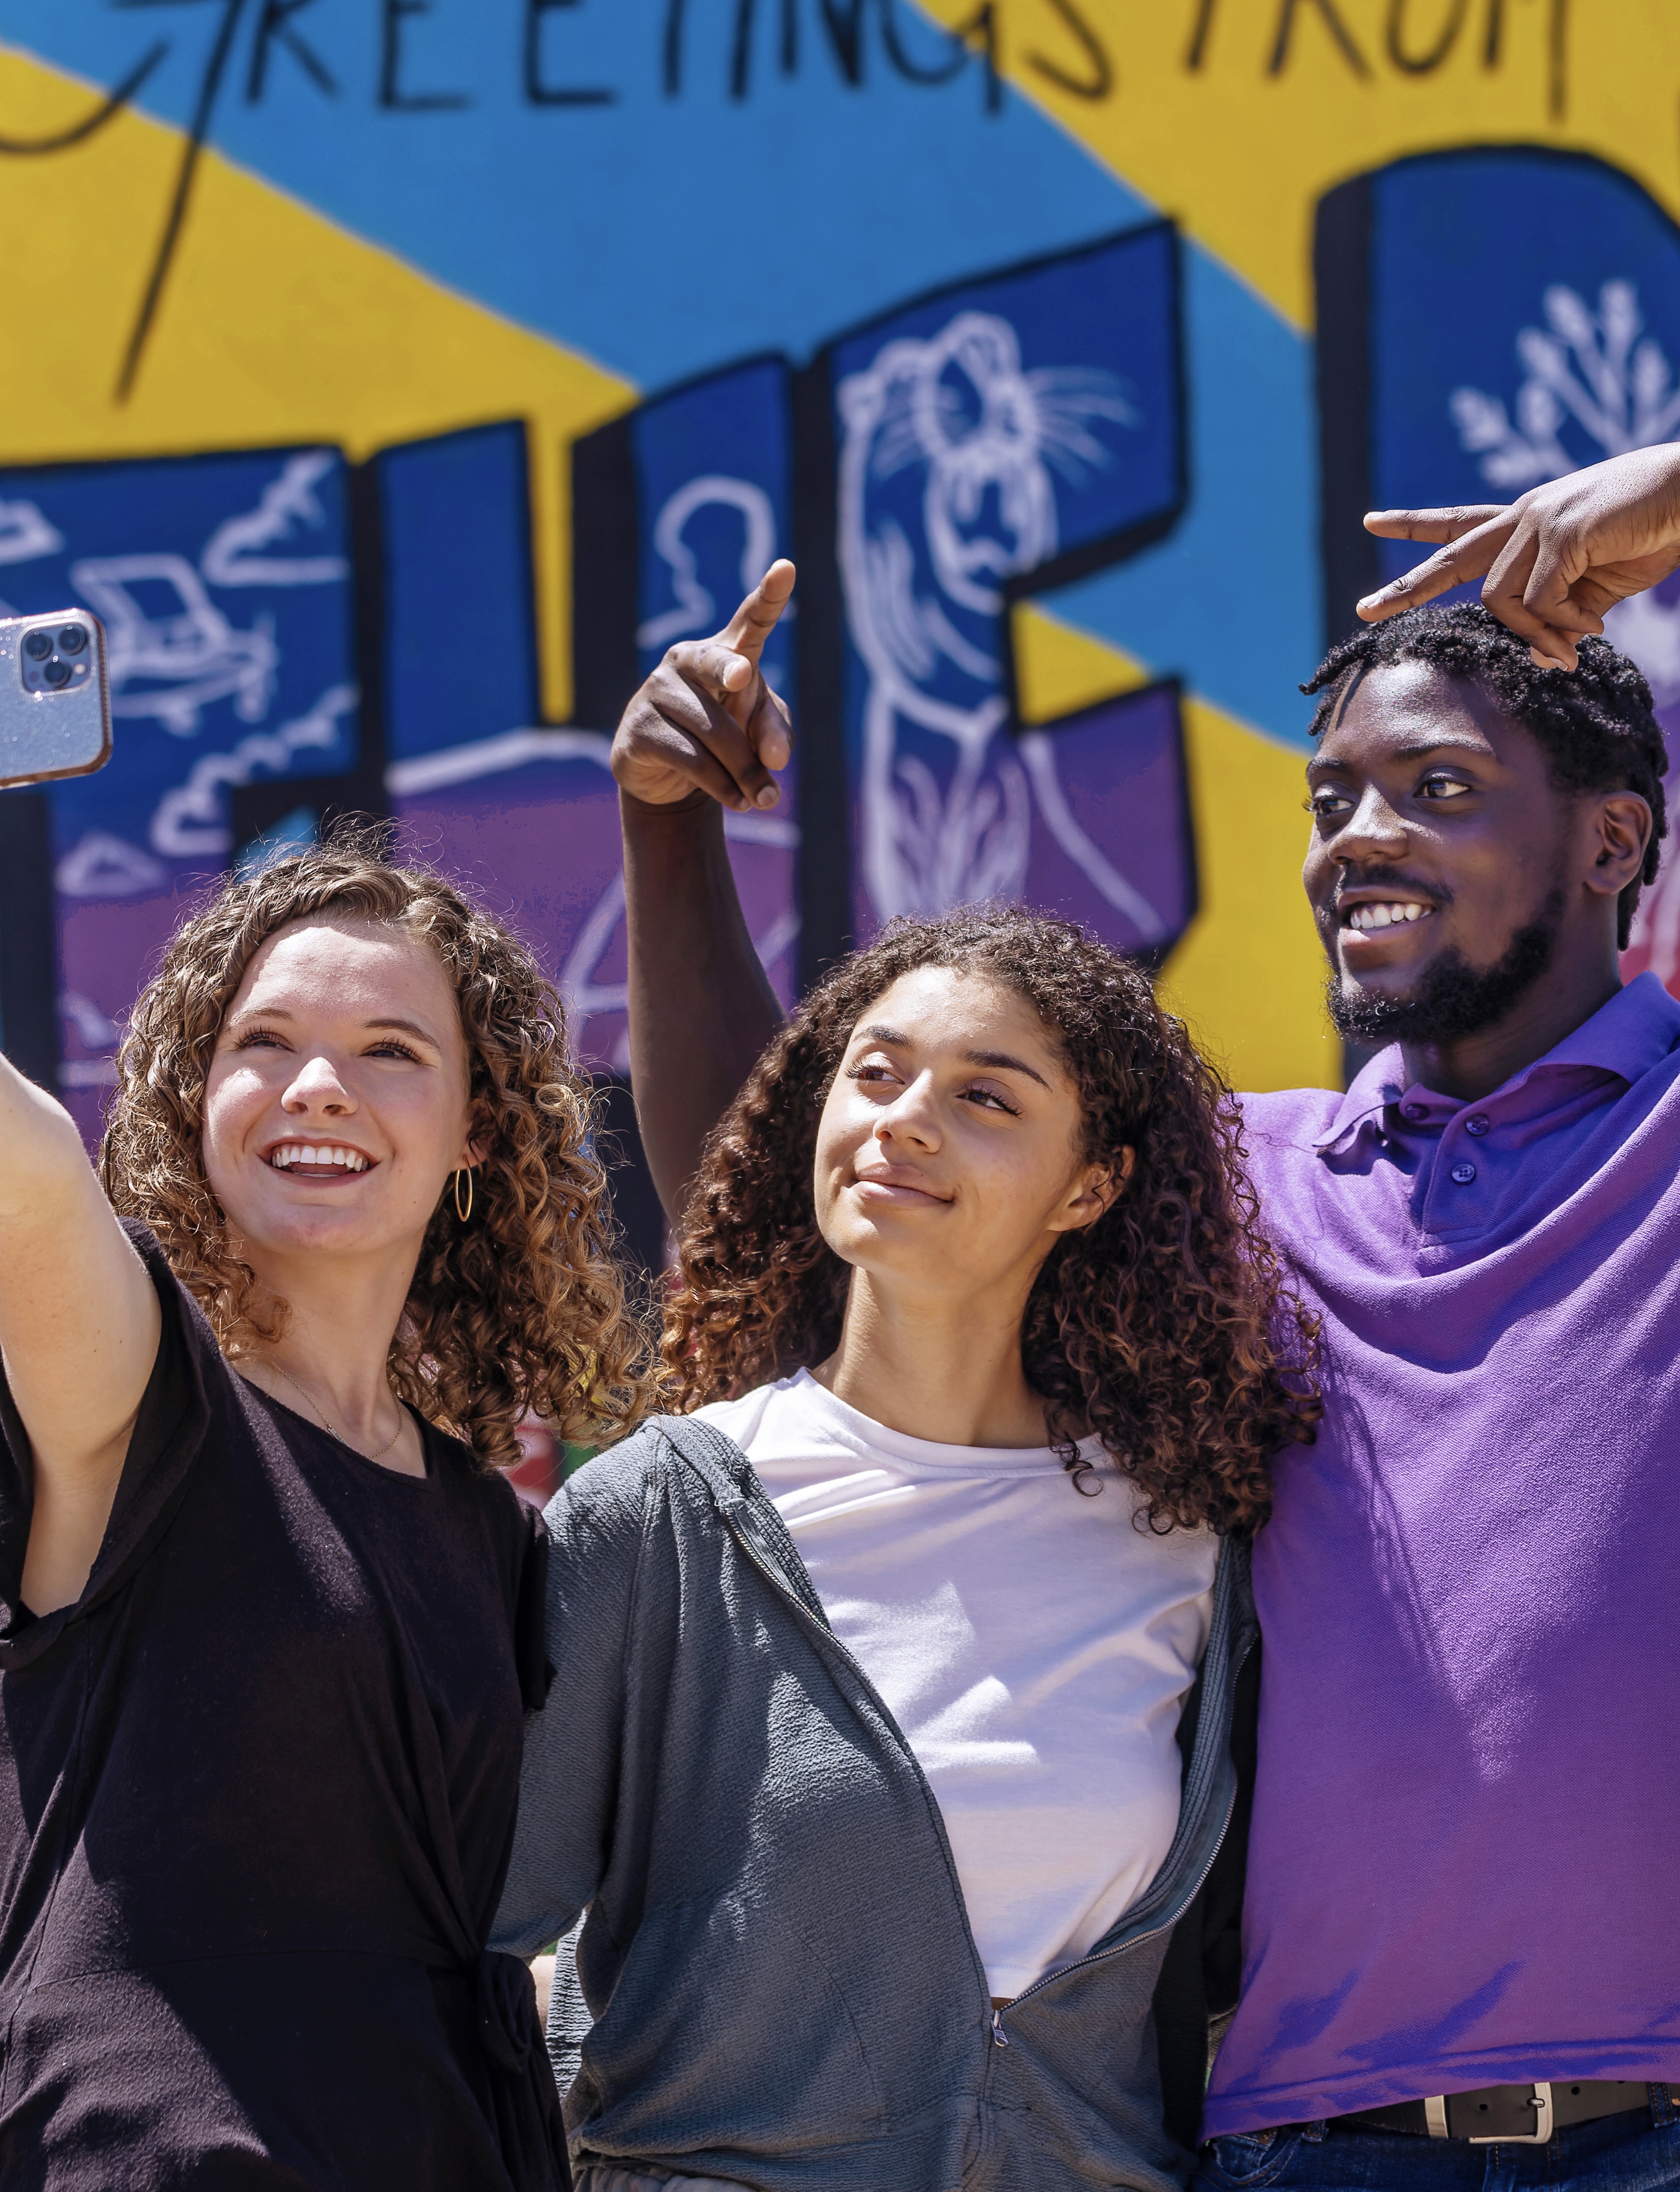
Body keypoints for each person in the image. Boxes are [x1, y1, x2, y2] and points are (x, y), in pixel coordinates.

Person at [609, 436, 1680, 2186]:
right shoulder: (1229, 1183)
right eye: (1332, 796)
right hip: (1311, 2139)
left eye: (1434, 786)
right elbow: (821, 1208)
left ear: (1610, 838)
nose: (1360, 838)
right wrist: (668, 839)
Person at [0, 618, 645, 2190]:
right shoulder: (137, 1392)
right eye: (266, 1046)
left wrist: (37, 1953)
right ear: (193, 1105)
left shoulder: (492, 1538)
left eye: (388, 1051)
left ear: (479, 1137)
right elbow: (21, 1172)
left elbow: (438, 1947)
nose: (319, 1087)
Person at [495, 906, 1316, 2189]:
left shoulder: (1186, 1538)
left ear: (1091, 1184)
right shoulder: (661, 1513)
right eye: (874, 1074)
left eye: (987, 1096)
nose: (905, 1118)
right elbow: (487, 1938)